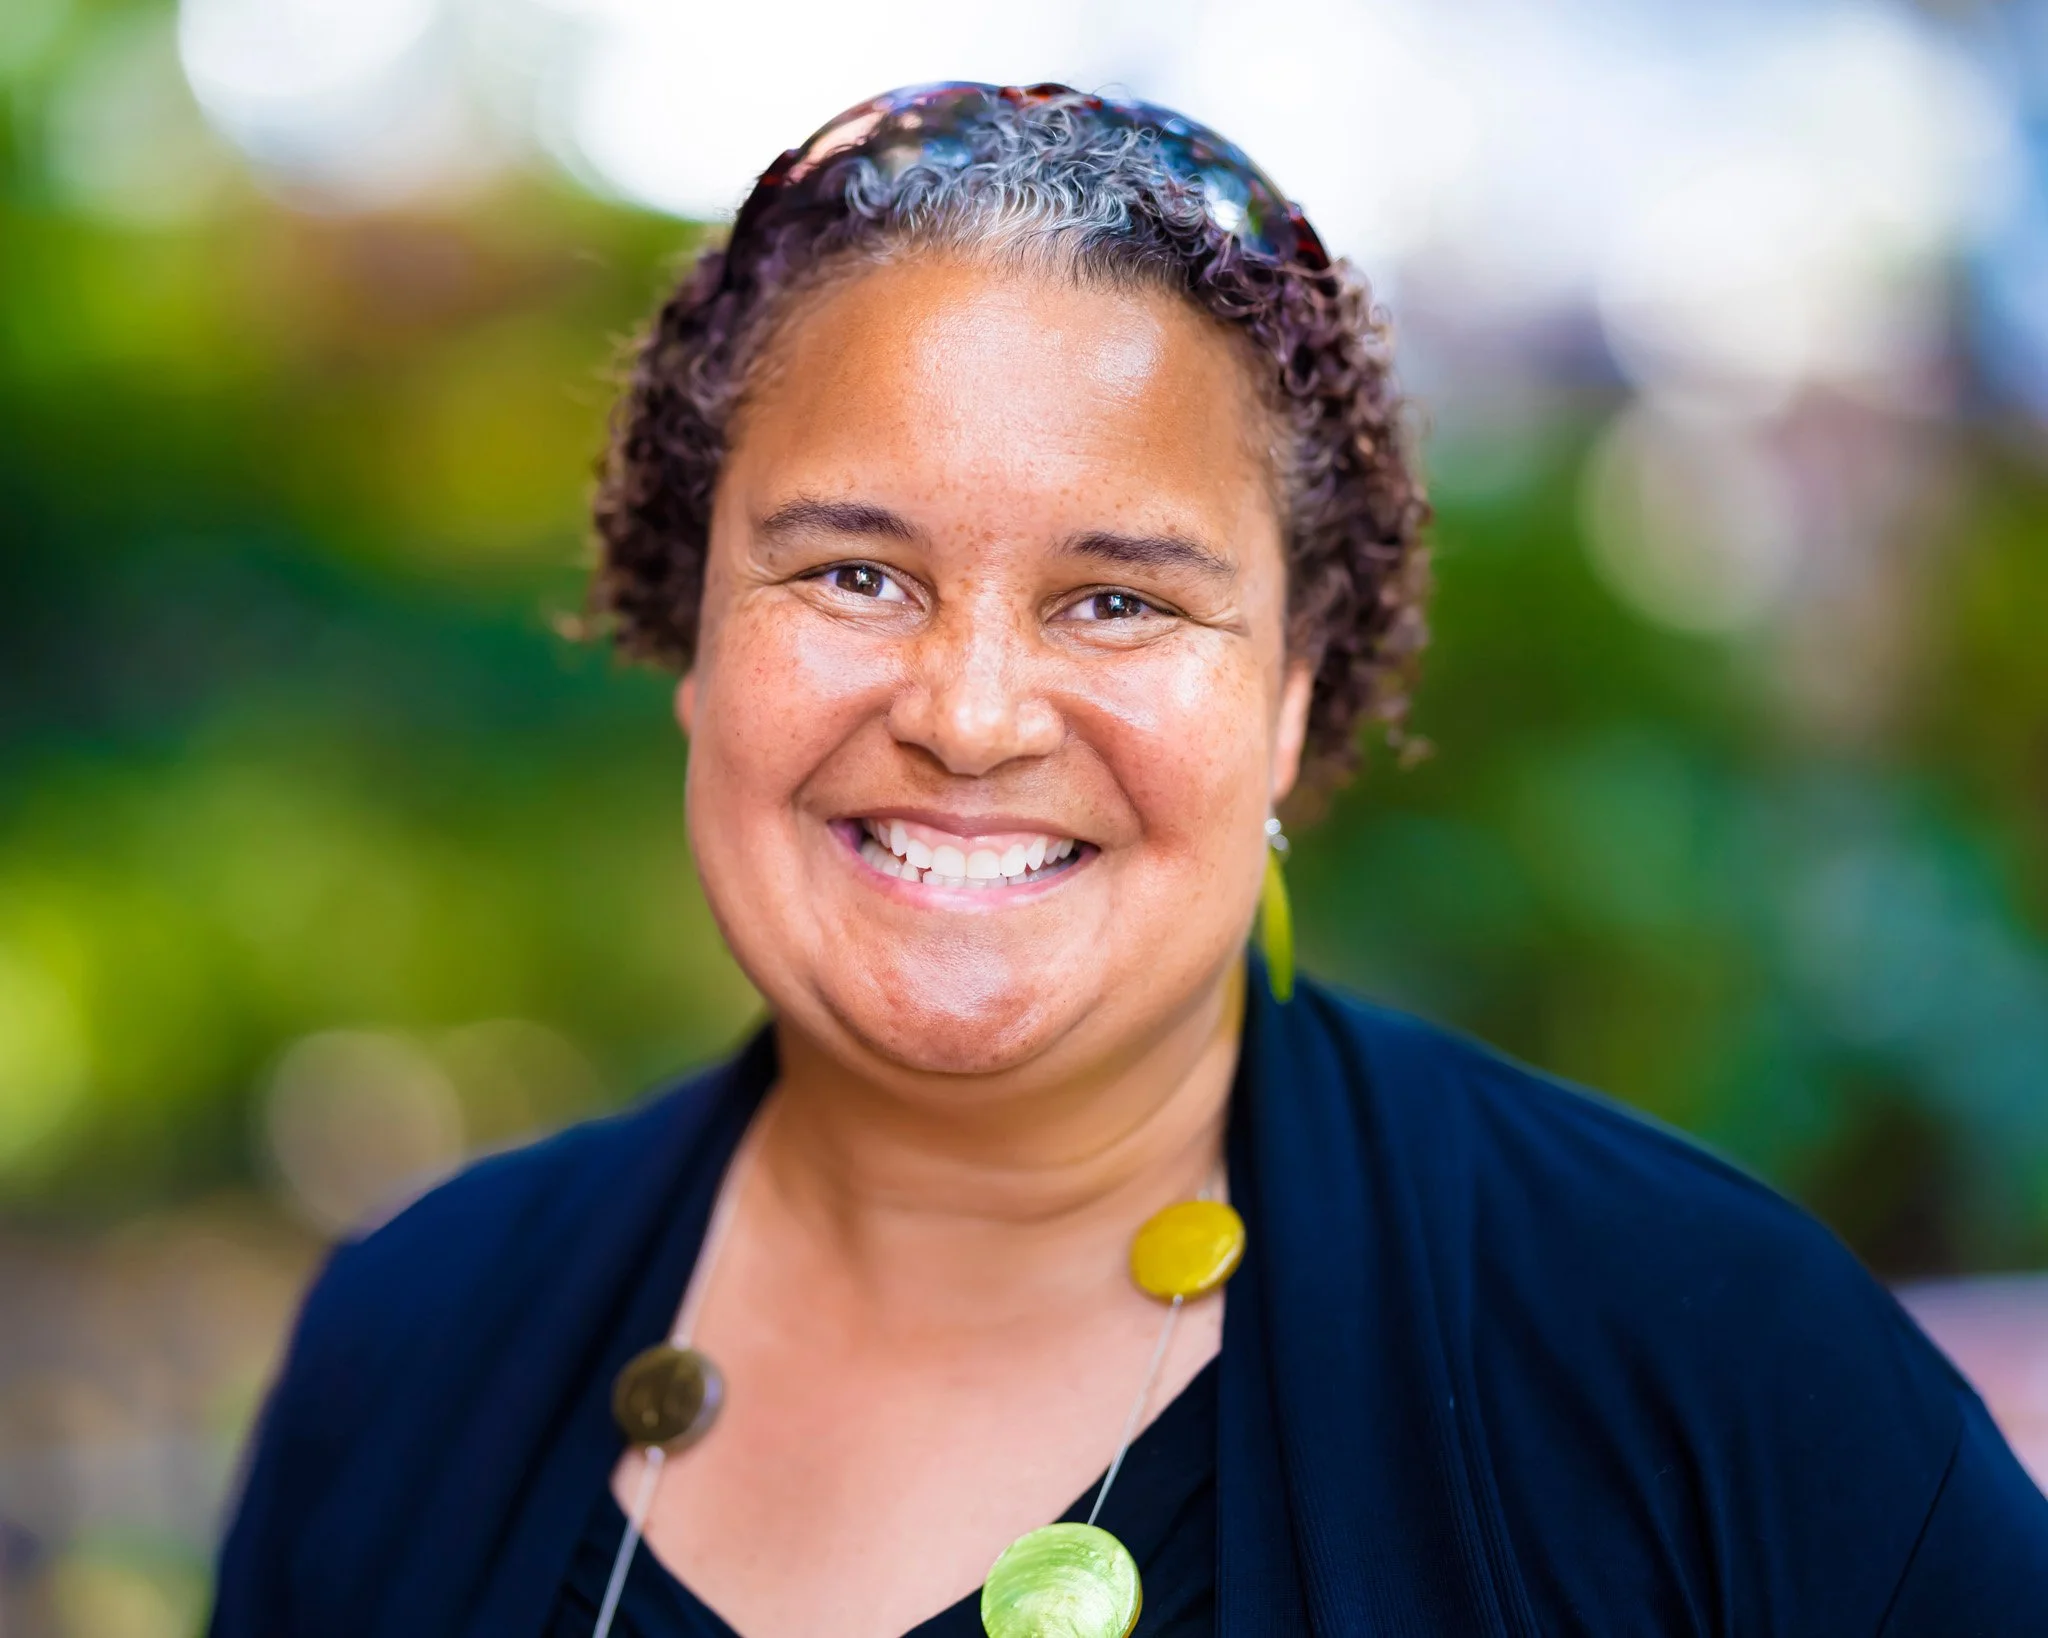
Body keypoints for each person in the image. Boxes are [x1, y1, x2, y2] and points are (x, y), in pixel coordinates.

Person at [208, 82, 2048, 1638]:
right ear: (696, 635)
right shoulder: (410, 1351)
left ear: (1290, 701)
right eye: (855, 572)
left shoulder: (1711, 1376)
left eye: (1116, 596)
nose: (975, 712)